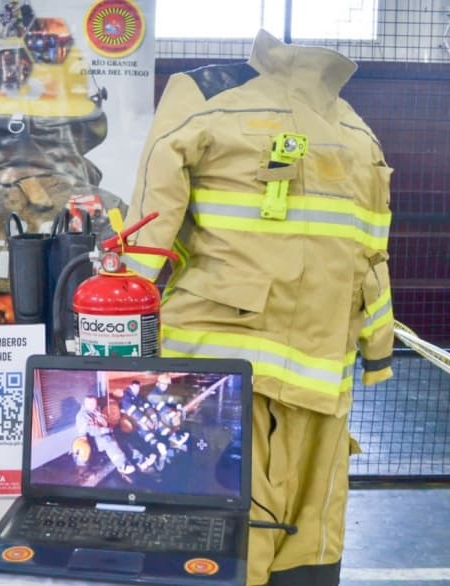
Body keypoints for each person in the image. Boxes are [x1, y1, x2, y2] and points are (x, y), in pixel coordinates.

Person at [124, 30, 395, 585]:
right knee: (286, 530)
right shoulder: (353, 128)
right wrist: (377, 346)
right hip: (256, 374)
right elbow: (374, 255)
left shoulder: (213, 96)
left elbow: (148, 224)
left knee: (253, 531)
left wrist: (118, 334)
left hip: (253, 370)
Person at [75, 395, 135, 475]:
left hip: (101, 434)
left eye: (94, 403)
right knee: (108, 440)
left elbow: (104, 422)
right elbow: (90, 431)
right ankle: (122, 466)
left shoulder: (95, 411)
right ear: (85, 404)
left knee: (120, 434)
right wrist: (106, 430)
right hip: (92, 441)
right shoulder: (82, 416)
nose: (93, 406)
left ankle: (136, 457)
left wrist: (108, 427)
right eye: (90, 404)